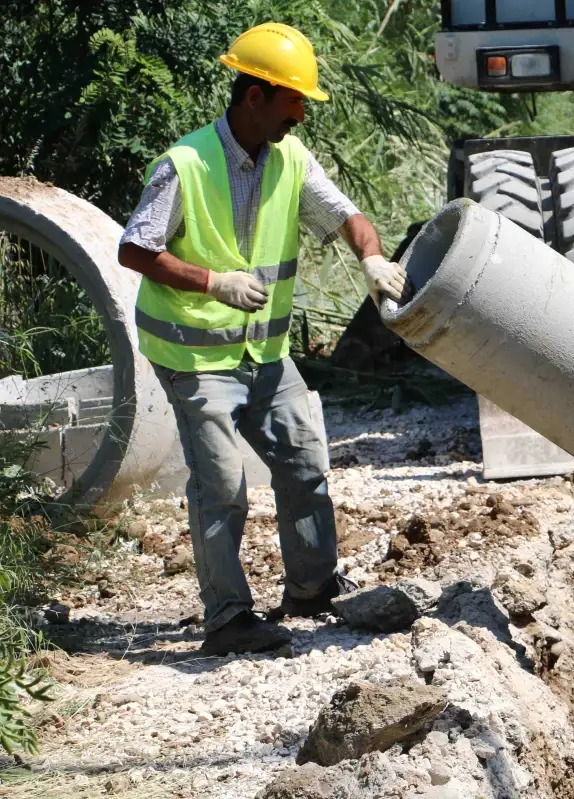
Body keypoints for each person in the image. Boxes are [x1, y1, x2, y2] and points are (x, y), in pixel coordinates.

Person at [117, 22, 413, 656]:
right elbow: (134, 249)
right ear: (255, 96)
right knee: (222, 485)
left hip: (265, 355)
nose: (301, 114)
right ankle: (227, 621)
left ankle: (311, 588)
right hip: (195, 356)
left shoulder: (291, 160)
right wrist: (211, 281)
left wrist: (369, 259)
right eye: (293, 100)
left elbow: (348, 217)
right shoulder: (186, 164)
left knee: (305, 463)